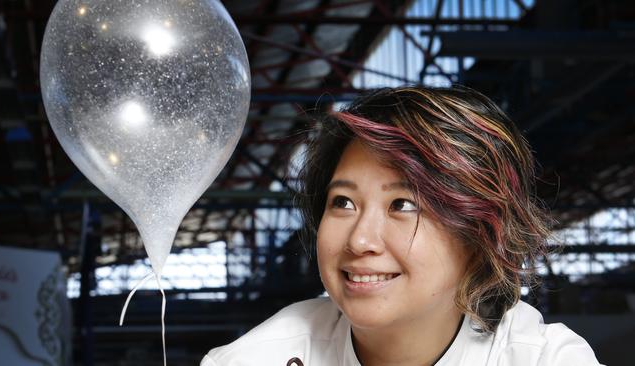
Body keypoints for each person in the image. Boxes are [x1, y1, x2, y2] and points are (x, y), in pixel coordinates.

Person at [200, 86, 603, 366]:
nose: (359, 239)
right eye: (342, 202)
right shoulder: (255, 359)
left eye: (403, 204)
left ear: (480, 234)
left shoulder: (539, 357)